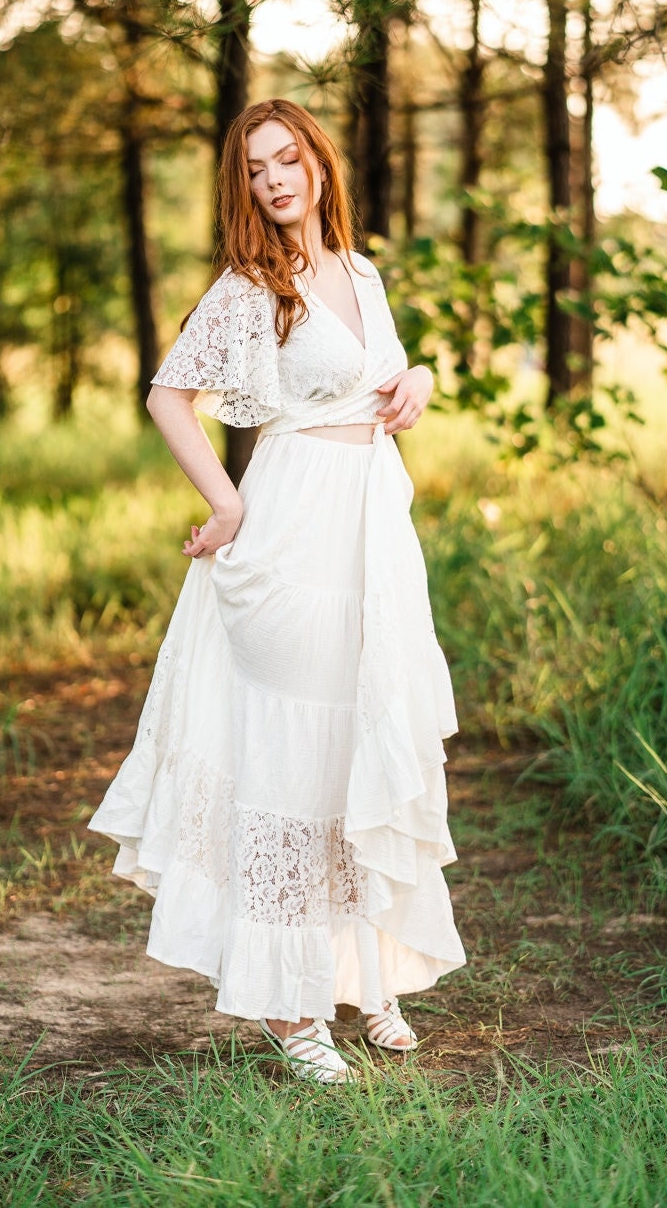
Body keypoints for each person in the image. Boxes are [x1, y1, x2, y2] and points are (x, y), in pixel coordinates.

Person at [89, 98, 465, 1083]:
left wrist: (416, 376)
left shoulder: (360, 271)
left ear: (317, 163)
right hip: (292, 529)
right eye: (254, 169)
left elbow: (382, 381)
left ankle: (364, 975)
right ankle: (291, 1008)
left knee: (355, 743)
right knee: (297, 760)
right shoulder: (252, 287)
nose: (272, 180)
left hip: (372, 532)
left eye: (285, 159)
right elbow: (168, 394)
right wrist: (225, 503)